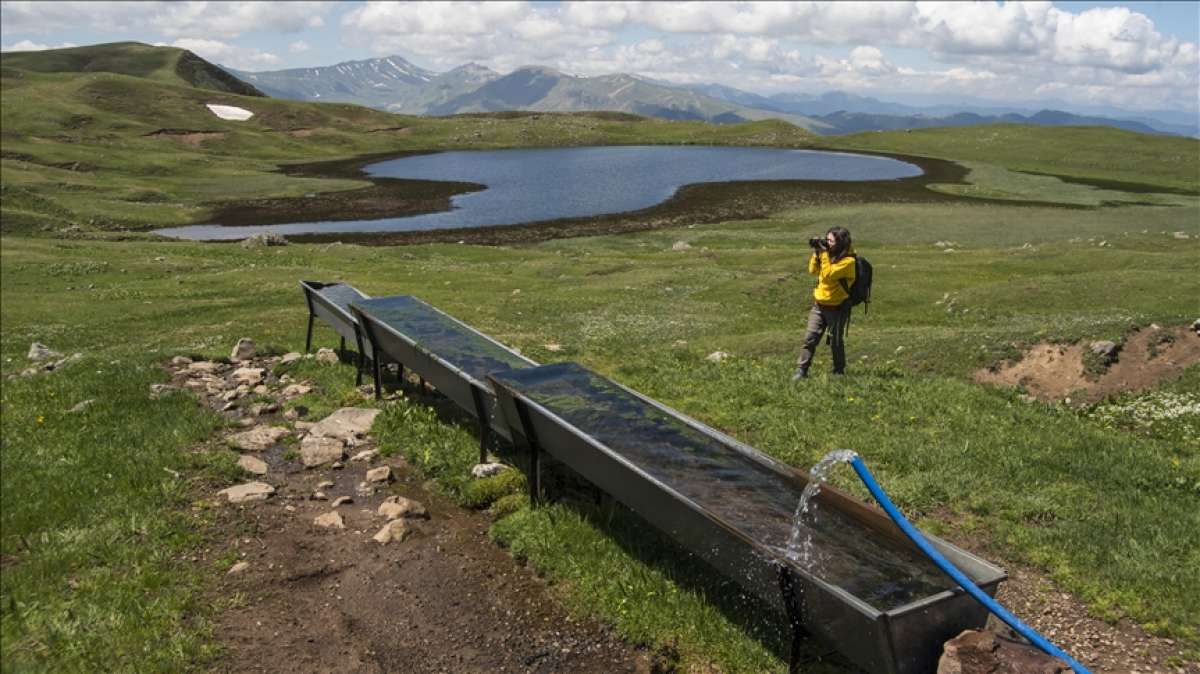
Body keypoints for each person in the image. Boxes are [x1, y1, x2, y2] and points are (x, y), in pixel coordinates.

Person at [793, 226, 855, 380]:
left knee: (835, 341)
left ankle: (839, 371)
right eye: (826, 240)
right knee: (810, 338)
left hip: (837, 308)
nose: (827, 244)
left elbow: (828, 275)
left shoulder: (848, 261)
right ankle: (801, 370)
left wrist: (824, 253)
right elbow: (813, 270)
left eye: (830, 241)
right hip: (819, 305)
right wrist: (816, 253)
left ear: (840, 243)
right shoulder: (828, 256)